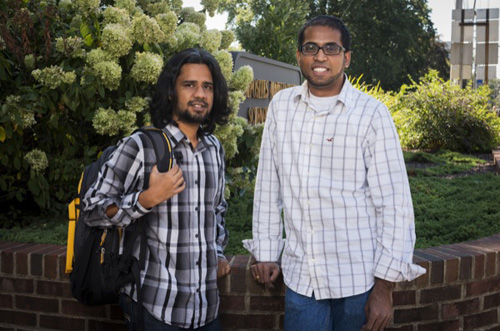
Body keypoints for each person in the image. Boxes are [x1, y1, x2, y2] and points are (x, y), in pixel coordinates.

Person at [243, 15, 426, 331]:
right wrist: (267, 252)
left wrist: (384, 288)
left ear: (347, 57)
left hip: (359, 281)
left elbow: (395, 205)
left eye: (331, 48)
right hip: (302, 280)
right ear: (300, 55)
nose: (320, 56)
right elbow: (268, 186)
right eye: (310, 47)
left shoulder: (371, 114)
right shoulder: (281, 107)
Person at [82, 48, 232, 330]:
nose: (200, 94)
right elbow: (91, 209)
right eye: (189, 85)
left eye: (207, 87)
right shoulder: (140, 146)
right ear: (171, 92)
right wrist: (146, 199)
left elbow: (218, 210)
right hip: (155, 308)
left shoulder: (214, 149)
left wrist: (220, 253)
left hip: (208, 309)